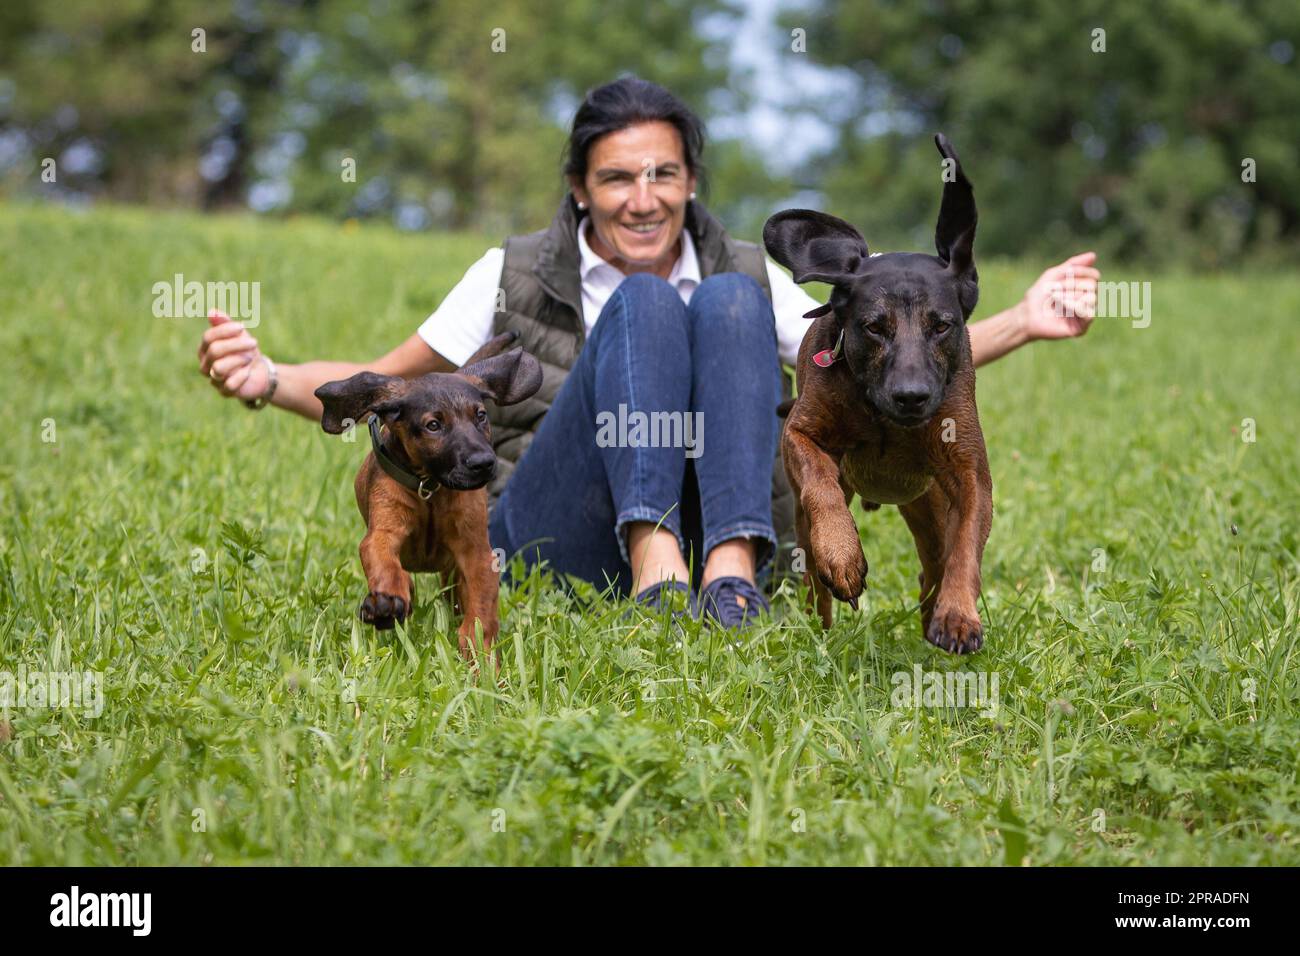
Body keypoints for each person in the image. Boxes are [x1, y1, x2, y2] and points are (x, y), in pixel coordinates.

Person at [199, 77, 1099, 629]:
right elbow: (392, 383)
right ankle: (651, 562)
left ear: (692, 182)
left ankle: (730, 574)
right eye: (617, 177)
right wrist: (269, 377)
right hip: (559, 530)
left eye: (663, 173)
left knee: (732, 300)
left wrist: (1022, 318)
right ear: (581, 190)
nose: (643, 197)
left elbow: (893, 362)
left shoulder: (741, 272)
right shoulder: (509, 271)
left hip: (726, 536)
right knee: (641, 303)